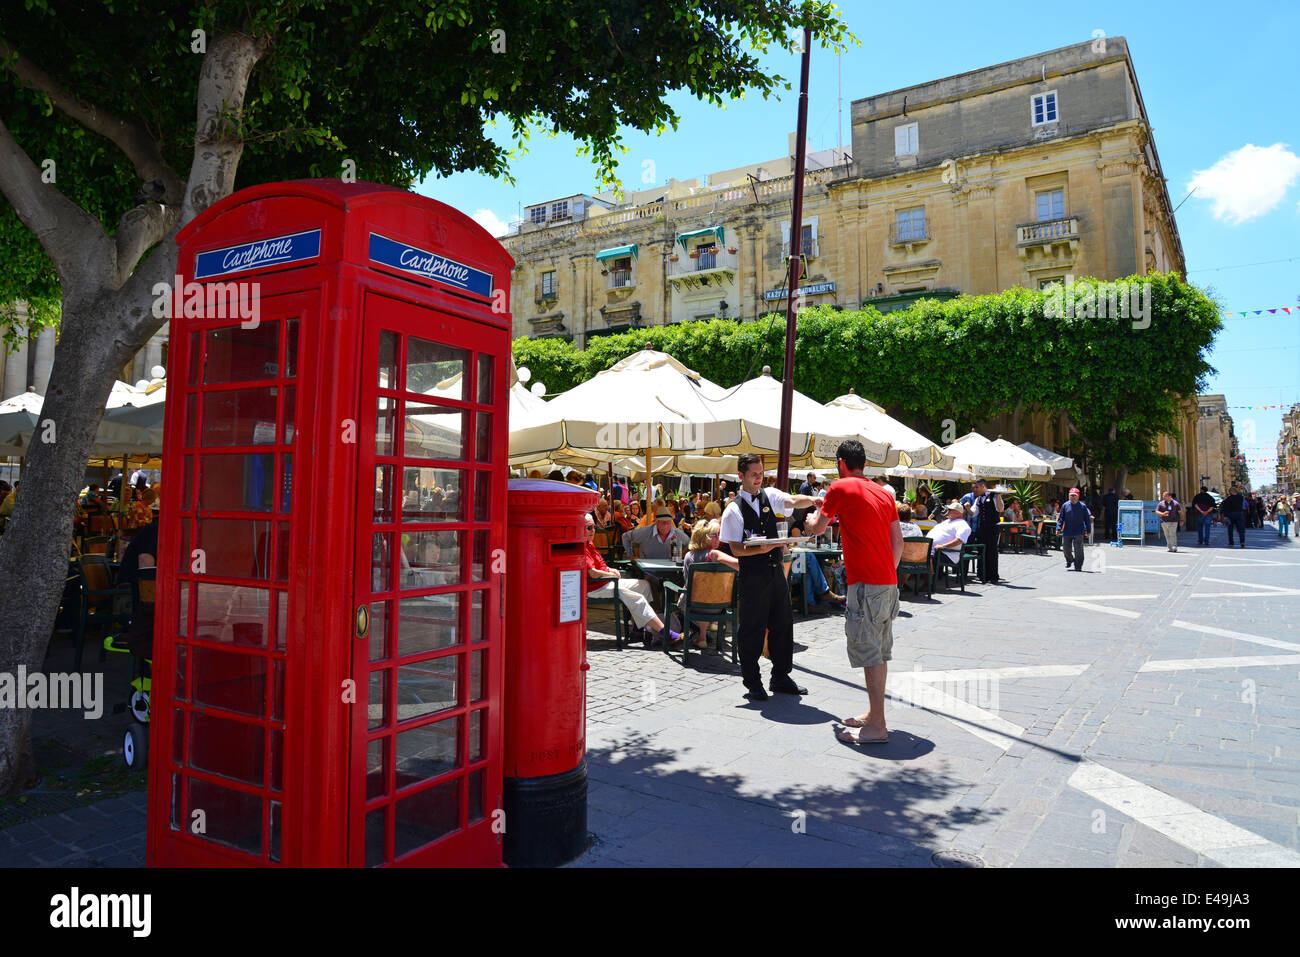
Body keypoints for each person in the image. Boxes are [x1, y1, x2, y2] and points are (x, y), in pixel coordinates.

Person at [804, 440, 903, 745]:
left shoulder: (839, 487)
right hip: (888, 583)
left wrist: (810, 518)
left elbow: (817, 528)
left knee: (870, 653)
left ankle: (877, 728)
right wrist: (885, 572)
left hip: (867, 584)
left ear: (841, 463)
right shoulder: (884, 493)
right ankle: (875, 715)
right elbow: (897, 542)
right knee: (880, 652)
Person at [719, 452, 819, 701]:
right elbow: (736, 550)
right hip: (752, 575)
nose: (758, 478)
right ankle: (752, 681)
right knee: (752, 628)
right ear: (740, 476)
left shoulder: (770, 495)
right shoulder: (733, 510)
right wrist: (760, 549)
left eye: (761, 473)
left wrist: (815, 501)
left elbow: (794, 501)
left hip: (775, 570)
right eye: (754, 474)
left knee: (783, 624)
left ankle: (781, 676)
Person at [583, 513, 683, 647]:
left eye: (594, 527)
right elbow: (593, 573)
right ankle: (666, 634)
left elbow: (600, 565)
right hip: (596, 586)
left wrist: (610, 569)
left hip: (607, 581)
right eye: (589, 528)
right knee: (636, 598)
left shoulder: (589, 544)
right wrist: (609, 574)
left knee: (644, 586)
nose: (593, 531)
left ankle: (638, 630)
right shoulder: (582, 546)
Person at [680, 520, 740, 648]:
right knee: (708, 594)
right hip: (718, 606)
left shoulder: (688, 556)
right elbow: (739, 565)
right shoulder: (715, 554)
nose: (719, 537)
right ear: (704, 537)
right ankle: (709, 627)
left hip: (691, 605)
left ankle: (701, 637)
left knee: (701, 593)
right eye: (716, 535)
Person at [621, 506, 690, 559]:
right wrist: (631, 556)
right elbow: (625, 537)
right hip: (648, 572)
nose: (665, 525)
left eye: (668, 522)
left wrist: (680, 554)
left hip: (671, 572)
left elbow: (688, 543)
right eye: (662, 522)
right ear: (656, 522)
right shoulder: (645, 532)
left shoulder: (677, 534)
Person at [971, 479, 1005, 583]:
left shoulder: (994, 496)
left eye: (977, 487)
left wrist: (999, 496)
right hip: (983, 528)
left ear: (983, 486)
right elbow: (973, 514)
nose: (975, 490)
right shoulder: (978, 499)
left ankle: (994, 576)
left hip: (993, 527)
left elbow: (1000, 509)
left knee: (992, 552)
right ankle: (982, 575)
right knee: (982, 550)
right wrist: (966, 508)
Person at [927, 500, 972, 569]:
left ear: (958, 513)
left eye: (950, 510)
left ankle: (929, 577)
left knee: (927, 556)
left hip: (947, 553)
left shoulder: (963, 525)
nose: (948, 511)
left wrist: (943, 546)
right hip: (932, 549)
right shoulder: (947, 521)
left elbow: (959, 540)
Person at [1056, 487, 1093, 570]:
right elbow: (1061, 518)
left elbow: (1087, 519)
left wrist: (1088, 531)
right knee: (1066, 548)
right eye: (1071, 495)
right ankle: (1069, 560)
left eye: (1074, 495)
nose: (1073, 497)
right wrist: (1058, 528)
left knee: (1078, 549)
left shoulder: (1083, 506)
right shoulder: (1065, 506)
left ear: (1078, 496)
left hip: (1078, 531)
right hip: (1067, 530)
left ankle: (1078, 565)